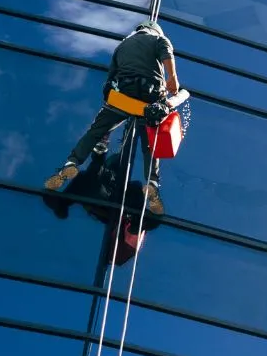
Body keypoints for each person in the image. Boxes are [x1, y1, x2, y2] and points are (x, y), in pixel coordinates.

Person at [44, 20, 181, 215]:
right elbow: (167, 54)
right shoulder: (159, 39)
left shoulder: (122, 45)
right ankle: (152, 182)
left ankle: (71, 163)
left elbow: (109, 83)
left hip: (123, 94)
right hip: (149, 99)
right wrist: (172, 78)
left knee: (95, 130)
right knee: (150, 143)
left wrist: (111, 107)